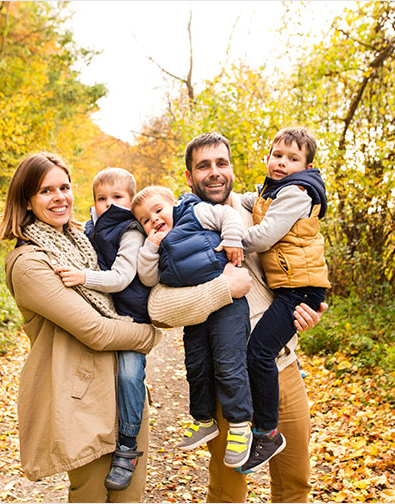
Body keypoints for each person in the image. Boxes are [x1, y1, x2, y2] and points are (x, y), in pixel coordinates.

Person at [147, 133, 327, 503]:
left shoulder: (262, 213)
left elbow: (298, 273)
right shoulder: (177, 227)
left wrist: (307, 312)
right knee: (228, 490)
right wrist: (223, 289)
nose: (214, 173)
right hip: (227, 381)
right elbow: (158, 308)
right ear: (189, 176)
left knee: (295, 482)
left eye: (221, 163)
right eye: (204, 166)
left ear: (232, 168)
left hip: (282, 368)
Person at [0, 152, 161, 502]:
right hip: (85, 401)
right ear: (26, 200)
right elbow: (96, 331)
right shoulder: (30, 264)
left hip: (125, 390)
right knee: (91, 494)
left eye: (64, 187)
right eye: (45, 191)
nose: (59, 198)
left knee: (132, 497)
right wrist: (150, 333)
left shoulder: (85, 241)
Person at [132, 185, 257, 469]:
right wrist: (151, 246)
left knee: (228, 364)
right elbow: (149, 279)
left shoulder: (195, 212)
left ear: (173, 204)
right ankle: (203, 419)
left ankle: (239, 425)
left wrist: (232, 240)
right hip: (198, 313)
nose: (154, 220)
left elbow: (228, 216)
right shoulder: (157, 246)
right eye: (145, 220)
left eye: (158, 210)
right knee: (196, 366)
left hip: (229, 306)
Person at [52, 167, 152, 491]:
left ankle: (127, 446)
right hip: (108, 313)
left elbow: (122, 277)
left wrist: (84, 277)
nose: (108, 204)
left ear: (131, 200)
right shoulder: (90, 227)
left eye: (117, 197)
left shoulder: (131, 231)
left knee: (128, 374)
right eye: (101, 198)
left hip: (133, 317)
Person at [239, 126, 330, 473]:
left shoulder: (296, 193)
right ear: (268, 157)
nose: (282, 163)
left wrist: (231, 241)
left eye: (293, 159)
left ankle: (266, 432)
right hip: (292, 286)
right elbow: (251, 202)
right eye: (278, 155)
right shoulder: (273, 190)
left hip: (301, 290)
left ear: (306, 167)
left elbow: (264, 236)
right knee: (262, 348)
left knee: (259, 350)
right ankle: (263, 426)